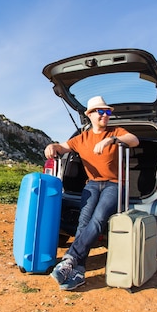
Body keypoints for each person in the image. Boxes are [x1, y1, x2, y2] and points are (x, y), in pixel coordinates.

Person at [44, 96, 139, 290]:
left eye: (108, 112)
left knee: (98, 220)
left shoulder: (115, 131)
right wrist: (52, 146)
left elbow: (134, 140)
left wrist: (111, 140)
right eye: (101, 112)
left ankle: (70, 259)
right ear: (90, 115)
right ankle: (78, 271)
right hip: (92, 185)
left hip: (114, 184)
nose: (105, 115)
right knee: (83, 223)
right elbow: (63, 147)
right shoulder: (82, 138)